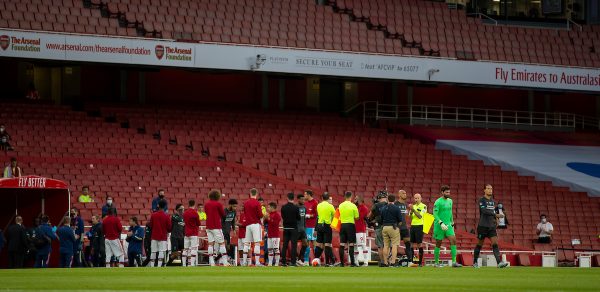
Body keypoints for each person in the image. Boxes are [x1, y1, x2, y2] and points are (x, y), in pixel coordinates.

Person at [473, 184, 509, 268]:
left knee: (495, 244)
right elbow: (484, 211)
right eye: (488, 189)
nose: (490, 190)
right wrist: (496, 215)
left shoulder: (493, 201)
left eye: (491, 189)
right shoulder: (482, 200)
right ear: (484, 190)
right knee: (479, 244)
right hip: (482, 226)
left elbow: (492, 211)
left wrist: (496, 220)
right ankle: (475, 262)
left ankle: (499, 263)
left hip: (491, 227)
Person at [433, 185, 462, 267]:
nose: (448, 193)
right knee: (438, 243)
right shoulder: (438, 202)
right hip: (439, 225)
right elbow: (435, 214)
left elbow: (450, 212)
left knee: (453, 240)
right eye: (446, 192)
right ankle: (436, 263)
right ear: (442, 192)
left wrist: (452, 222)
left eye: (449, 192)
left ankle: (454, 262)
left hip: (448, 224)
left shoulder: (450, 201)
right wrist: (440, 222)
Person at [205, 189, 229, 266]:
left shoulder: (206, 204)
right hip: (216, 226)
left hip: (208, 226)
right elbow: (223, 214)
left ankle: (211, 262)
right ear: (217, 196)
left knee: (210, 244)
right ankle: (225, 262)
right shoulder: (218, 204)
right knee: (222, 243)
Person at [242, 188, 264, 266]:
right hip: (255, 224)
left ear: (250, 193)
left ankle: (244, 262)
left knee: (246, 243)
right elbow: (260, 215)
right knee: (257, 243)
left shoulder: (246, 203)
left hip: (248, 225)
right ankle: (257, 262)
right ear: (256, 194)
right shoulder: (257, 203)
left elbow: (244, 213)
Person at [395, 190, 417, 267]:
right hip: (397, 228)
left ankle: (410, 262)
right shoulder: (395, 204)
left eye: (405, 193)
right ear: (399, 195)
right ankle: (394, 262)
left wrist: (411, 210)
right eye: (403, 193)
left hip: (404, 227)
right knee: (395, 245)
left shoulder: (405, 205)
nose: (405, 194)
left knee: (408, 244)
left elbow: (408, 215)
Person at [148, 199, 172, 267]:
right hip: (163, 237)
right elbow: (169, 227)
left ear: (158, 205)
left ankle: (152, 266)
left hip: (154, 236)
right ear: (165, 206)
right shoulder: (166, 216)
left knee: (153, 251)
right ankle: (159, 266)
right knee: (161, 251)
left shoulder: (153, 215)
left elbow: (150, 225)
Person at [314, 193, 336, 266]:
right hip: (327, 225)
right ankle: (328, 262)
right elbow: (335, 216)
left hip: (319, 225)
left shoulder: (318, 205)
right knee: (327, 244)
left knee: (319, 244)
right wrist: (333, 224)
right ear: (327, 198)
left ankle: (316, 260)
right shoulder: (331, 206)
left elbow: (318, 216)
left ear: (322, 198)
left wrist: (316, 229)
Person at [338, 191, 359, 267]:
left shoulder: (340, 205)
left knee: (342, 244)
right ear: (351, 197)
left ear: (345, 196)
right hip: (350, 225)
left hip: (343, 225)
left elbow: (338, 216)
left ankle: (342, 263)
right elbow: (357, 217)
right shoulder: (353, 206)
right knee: (351, 244)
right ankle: (352, 263)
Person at [380, 194, 402, 267]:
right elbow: (400, 220)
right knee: (394, 245)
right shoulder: (396, 208)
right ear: (394, 200)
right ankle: (393, 262)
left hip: (385, 227)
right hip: (393, 227)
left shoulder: (383, 208)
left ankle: (385, 262)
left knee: (386, 245)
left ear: (387, 199)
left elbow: (381, 218)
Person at [368, 191, 388, 267]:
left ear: (379, 198)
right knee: (387, 245)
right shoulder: (389, 205)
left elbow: (369, 216)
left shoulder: (376, 205)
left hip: (378, 226)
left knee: (380, 246)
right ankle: (387, 261)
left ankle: (382, 261)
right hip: (387, 226)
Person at [281, 193, 300, 266]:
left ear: (287, 198)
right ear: (293, 198)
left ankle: (283, 262)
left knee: (285, 245)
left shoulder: (283, 207)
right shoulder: (296, 208)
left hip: (286, 228)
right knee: (293, 245)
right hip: (294, 228)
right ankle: (293, 262)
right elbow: (298, 218)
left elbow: (283, 217)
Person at [409, 193, 427, 266]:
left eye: (418, 198)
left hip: (420, 226)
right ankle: (414, 261)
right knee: (412, 244)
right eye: (415, 198)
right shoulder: (413, 206)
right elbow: (411, 217)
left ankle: (419, 263)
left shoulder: (424, 206)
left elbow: (420, 216)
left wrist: (413, 209)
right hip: (413, 225)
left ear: (421, 198)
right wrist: (411, 212)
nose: (416, 199)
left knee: (419, 244)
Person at [183, 199, 201, 267]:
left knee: (185, 249)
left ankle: (184, 264)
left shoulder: (185, 213)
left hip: (187, 233)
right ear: (194, 204)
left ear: (188, 204)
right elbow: (198, 223)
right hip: (194, 233)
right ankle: (192, 264)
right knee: (193, 248)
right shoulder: (195, 213)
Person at [354, 195, 370, 267]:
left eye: (356, 199)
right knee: (355, 246)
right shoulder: (356, 207)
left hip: (361, 230)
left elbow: (358, 217)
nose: (354, 200)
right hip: (354, 229)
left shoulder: (364, 208)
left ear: (360, 199)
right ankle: (356, 261)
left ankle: (366, 262)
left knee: (363, 245)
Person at [303, 190, 318, 263]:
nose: (304, 196)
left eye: (305, 194)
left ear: (309, 195)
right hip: (306, 226)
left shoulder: (315, 203)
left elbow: (317, 214)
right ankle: (306, 261)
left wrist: (309, 215)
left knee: (315, 243)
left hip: (313, 226)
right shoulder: (305, 203)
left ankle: (316, 260)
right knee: (307, 243)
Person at [265, 202, 282, 266]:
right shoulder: (269, 214)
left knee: (276, 249)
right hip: (270, 234)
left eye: (269, 207)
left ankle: (277, 263)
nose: (267, 208)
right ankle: (270, 263)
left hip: (275, 235)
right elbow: (266, 222)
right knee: (270, 249)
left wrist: (268, 218)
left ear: (272, 207)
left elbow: (275, 223)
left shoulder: (277, 215)